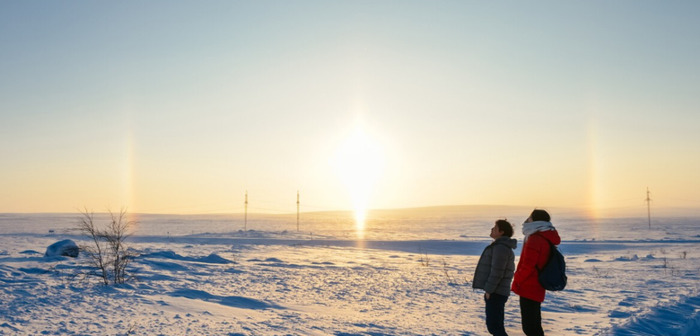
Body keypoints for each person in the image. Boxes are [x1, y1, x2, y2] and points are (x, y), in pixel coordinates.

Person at [511, 209, 561, 336]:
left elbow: (527, 266)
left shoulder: (534, 239)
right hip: (538, 285)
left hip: (529, 285)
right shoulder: (546, 235)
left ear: (535, 220)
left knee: (530, 327)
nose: (527, 220)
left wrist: (517, 280)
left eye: (530, 217)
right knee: (534, 324)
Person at [473, 219, 517, 336]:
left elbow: (497, 272)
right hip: (497, 292)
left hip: (496, 292)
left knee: (494, 327)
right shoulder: (500, 246)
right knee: (495, 326)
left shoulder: (501, 248)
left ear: (501, 232)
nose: (492, 229)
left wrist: (489, 290)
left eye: (495, 228)